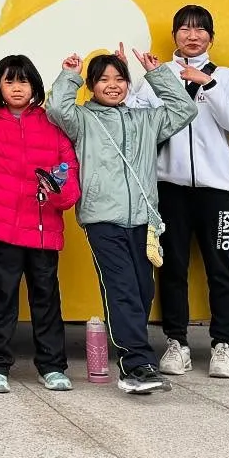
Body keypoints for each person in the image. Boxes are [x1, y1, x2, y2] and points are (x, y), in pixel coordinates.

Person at [48, 47, 195, 395]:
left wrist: (157, 75)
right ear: (91, 86)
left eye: (119, 79)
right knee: (123, 289)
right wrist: (70, 74)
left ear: (129, 83)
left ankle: (135, 358)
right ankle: (136, 365)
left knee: (143, 291)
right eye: (102, 80)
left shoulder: (146, 119)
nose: (112, 85)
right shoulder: (83, 119)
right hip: (102, 217)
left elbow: (185, 109)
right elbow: (57, 109)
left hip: (143, 220)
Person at [130, 6, 229, 380]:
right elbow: (135, 118)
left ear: (211, 37)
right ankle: (176, 343)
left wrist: (206, 84)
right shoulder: (156, 77)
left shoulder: (226, 77)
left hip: (217, 190)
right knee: (172, 266)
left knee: (221, 268)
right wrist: (135, 80)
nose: (191, 36)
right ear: (175, 35)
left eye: (199, 30)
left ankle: (223, 345)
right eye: (184, 29)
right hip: (169, 187)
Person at [0, 55, 80, 393]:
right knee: (0, 298)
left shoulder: (51, 122)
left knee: (46, 299)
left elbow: (69, 173)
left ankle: (52, 367)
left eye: (23, 81)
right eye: (8, 81)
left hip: (43, 225)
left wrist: (56, 197)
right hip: (2, 227)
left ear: (35, 86)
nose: (16, 87)